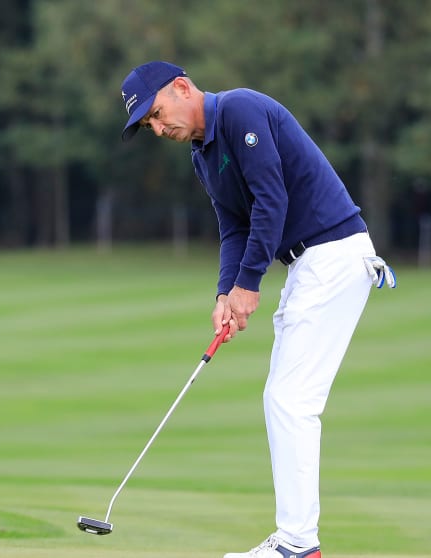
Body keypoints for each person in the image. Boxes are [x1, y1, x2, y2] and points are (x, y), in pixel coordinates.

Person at [119, 61, 395, 558]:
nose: (158, 129)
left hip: (333, 256)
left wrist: (249, 284)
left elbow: (272, 200)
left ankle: (297, 544)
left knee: (291, 401)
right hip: (308, 265)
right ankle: (296, 542)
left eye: (156, 114)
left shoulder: (240, 109)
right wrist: (225, 293)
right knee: (282, 400)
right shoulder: (203, 156)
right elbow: (234, 227)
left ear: (182, 88)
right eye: (148, 126)